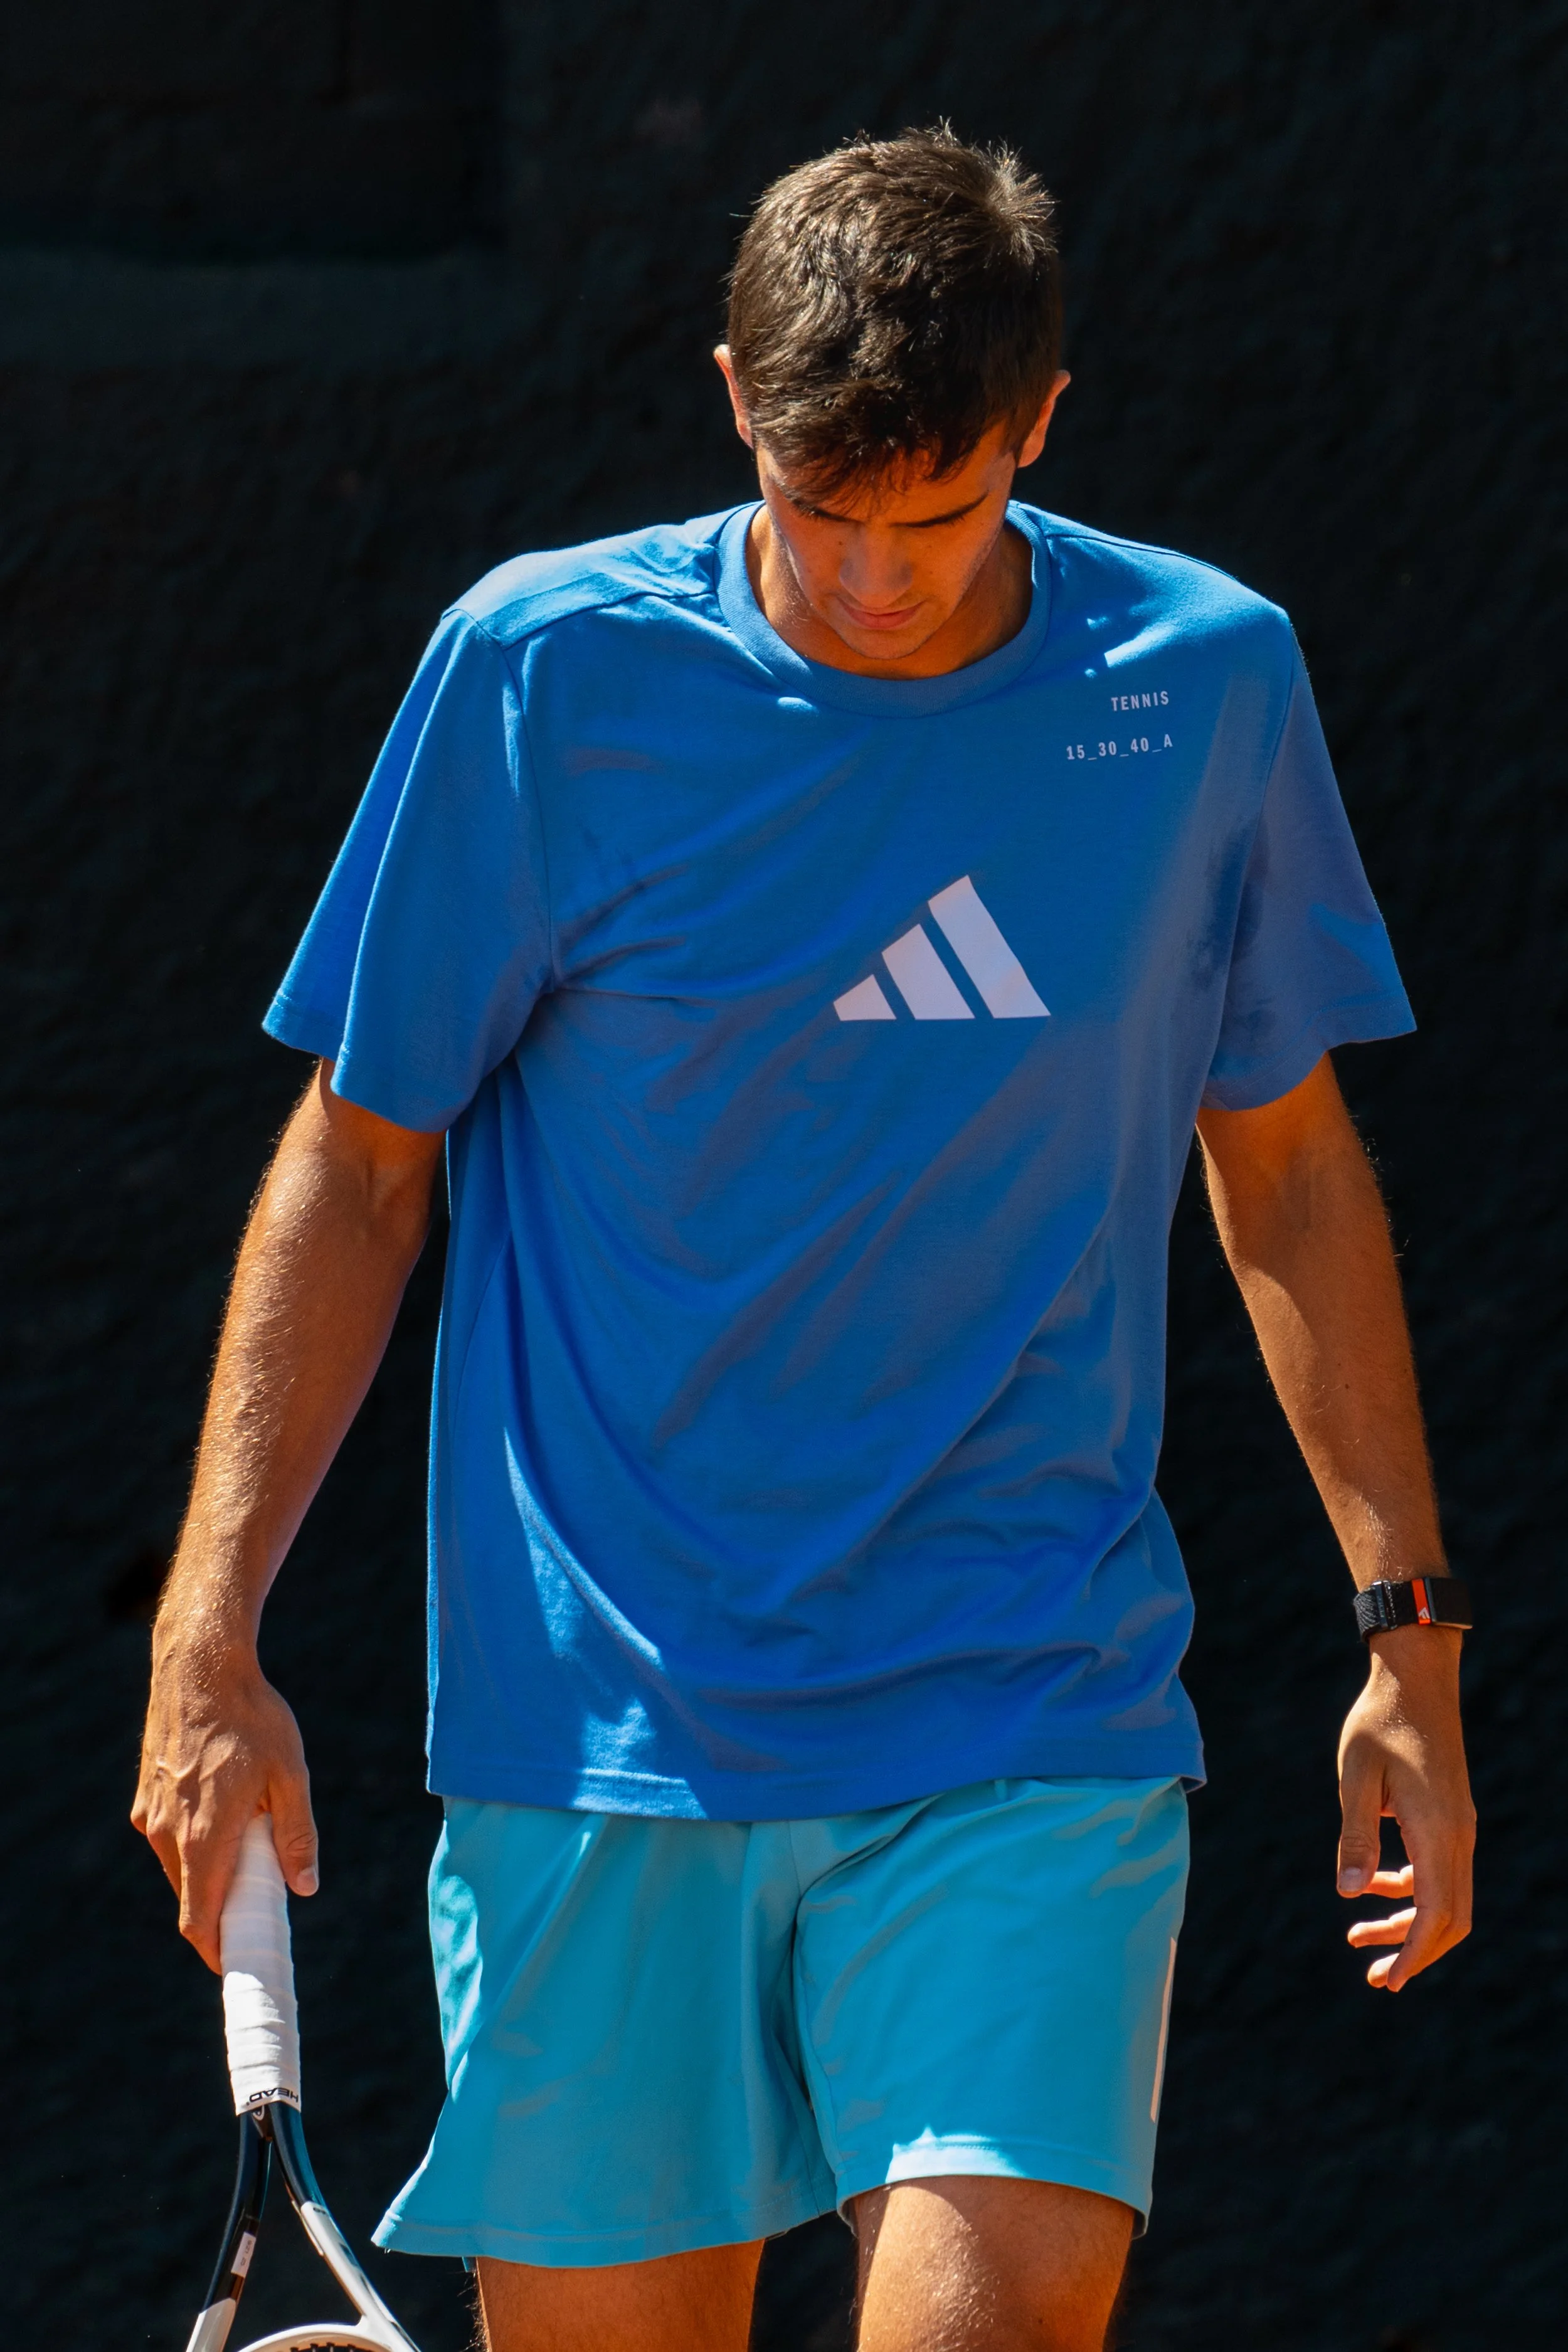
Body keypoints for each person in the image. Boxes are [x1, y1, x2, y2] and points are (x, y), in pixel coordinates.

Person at [133, 128, 1475, 2352]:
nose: (868, 580)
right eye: (816, 504)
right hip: (598, 1733)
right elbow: (358, 1166)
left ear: (1040, 426)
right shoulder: (540, 672)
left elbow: (1290, 1167)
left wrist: (1404, 1636)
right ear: (731, 397)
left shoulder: (1204, 684)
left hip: (1027, 1699)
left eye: (930, 521)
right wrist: (211, 1625)